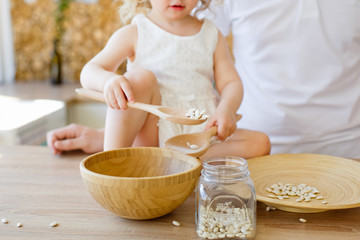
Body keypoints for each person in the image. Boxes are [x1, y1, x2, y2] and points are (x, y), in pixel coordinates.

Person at [50, 0, 360, 159]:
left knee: (260, 142)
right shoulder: (136, 31)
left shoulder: (210, 33)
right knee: (139, 78)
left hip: (201, 136)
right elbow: (90, 71)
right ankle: (114, 163)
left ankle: (177, 163)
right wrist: (108, 82)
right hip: (155, 131)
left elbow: (231, 84)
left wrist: (225, 110)